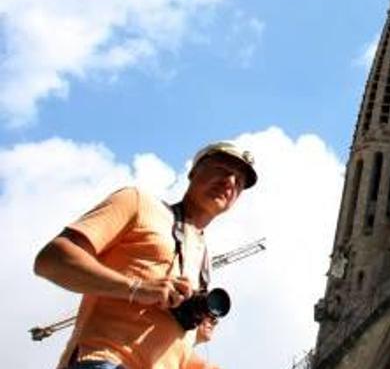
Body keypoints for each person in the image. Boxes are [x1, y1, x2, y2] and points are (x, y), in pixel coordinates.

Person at [34, 141, 258, 369]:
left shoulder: (203, 259)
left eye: (239, 182)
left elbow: (167, 345)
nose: (230, 182)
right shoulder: (138, 202)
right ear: (194, 171)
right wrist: (136, 288)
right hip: (106, 360)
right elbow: (52, 259)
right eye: (223, 169)